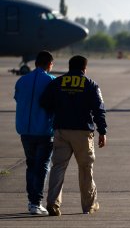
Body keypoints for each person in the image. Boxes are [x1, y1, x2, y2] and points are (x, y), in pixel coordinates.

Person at [40, 55, 107, 216]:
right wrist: (102, 131)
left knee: (58, 167)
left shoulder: (57, 82)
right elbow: (99, 109)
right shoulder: (90, 84)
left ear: (69, 67)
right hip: (82, 132)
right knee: (85, 168)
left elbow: (44, 102)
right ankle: (88, 206)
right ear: (84, 68)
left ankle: (53, 204)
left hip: (61, 130)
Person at [14, 51, 55, 215]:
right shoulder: (51, 81)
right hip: (44, 130)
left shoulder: (22, 80)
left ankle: (31, 201)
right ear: (49, 64)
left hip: (25, 130)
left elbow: (18, 98)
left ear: (36, 63)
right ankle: (35, 202)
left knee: (31, 165)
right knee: (42, 166)